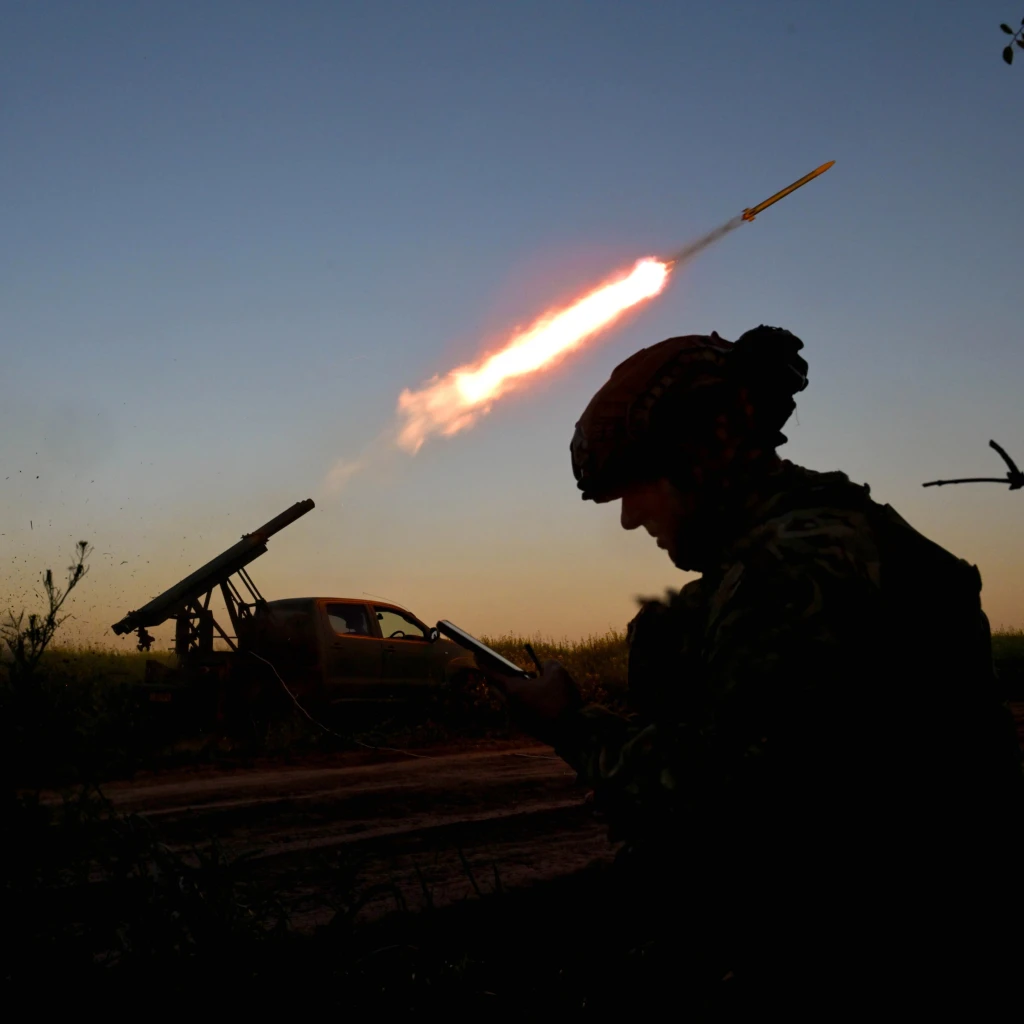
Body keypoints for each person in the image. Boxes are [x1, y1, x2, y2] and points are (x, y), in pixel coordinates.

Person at [484, 326, 1024, 1015]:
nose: (629, 518)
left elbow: (718, 800)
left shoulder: (795, 569)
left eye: (639, 487)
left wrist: (567, 723)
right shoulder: (836, 533)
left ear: (699, 458)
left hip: (885, 955)